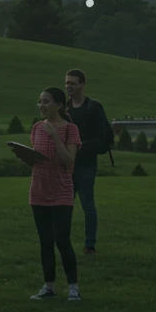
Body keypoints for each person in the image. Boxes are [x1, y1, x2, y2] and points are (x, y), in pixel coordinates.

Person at [12, 86, 83, 302]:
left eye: (46, 101)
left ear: (59, 105)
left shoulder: (70, 129)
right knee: (45, 241)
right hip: (39, 191)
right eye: (40, 101)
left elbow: (68, 161)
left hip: (61, 192)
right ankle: (49, 286)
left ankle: (73, 288)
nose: (41, 105)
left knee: (62, 240)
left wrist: (55, 136)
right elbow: (38, 161)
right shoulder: (36, 128)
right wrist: (23, 155)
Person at [64, 69, 113, 255]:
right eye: (67, 82)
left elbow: (101, 138)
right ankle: (63, 240)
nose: (69, 86)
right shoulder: (64, 108)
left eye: (73, 83)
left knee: (87, 204)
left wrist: (80, 146)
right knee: (64, 204)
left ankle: (89, 244)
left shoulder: (93, 107)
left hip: (85, 165)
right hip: (66, 164)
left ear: (82, 85)